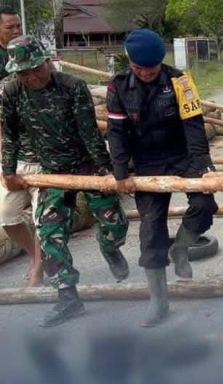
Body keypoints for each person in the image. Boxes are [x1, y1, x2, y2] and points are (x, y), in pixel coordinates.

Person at [1, 35, 129, 327]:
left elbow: (88, 132)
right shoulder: (11, 92)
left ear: (47, 61)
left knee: (115, 224)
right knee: (49, 234)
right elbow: (9, 135)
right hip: (51, 172)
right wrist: (8, 171)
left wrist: (106, 171)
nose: (32, 77)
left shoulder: (72, 87)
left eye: (36, 69)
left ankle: (110, 246)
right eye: (24, 72)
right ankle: (68, 298)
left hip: (87, 166)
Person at [106, 29, 218, 327]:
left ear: (161, 62)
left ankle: (181, 247)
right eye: (138, 68)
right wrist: (120, 173)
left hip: (182, 154)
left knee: (205, 204)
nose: (144, 74)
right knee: (150, 229)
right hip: (145, 161)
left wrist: (204, 167)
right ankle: (159, 301)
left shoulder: (181, 81)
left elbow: (194, 126)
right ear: (130, 63)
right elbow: (117, 133)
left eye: (151, 69)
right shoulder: (118, 87)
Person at [0, 5, 43, 286]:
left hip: (42, 151)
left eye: (18, 26)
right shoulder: (7, 86)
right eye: (10, 27)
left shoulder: (31, 50)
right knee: (7, 215)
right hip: (10, 146)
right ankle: (34, 255)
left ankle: (41, 261)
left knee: (44, 215)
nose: (17, 30)